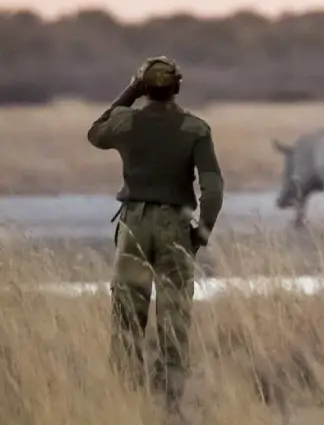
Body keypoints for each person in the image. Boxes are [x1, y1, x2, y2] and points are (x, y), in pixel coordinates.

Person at [87, 56, 224, 415]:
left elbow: (95, 132)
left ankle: (126, 399)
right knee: (174, 315)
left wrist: (130, 90)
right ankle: (170, 406)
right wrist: (201, 233)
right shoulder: (195, 129)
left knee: (127, 316)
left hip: (133, 225)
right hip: (175, 227)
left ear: (144, 89)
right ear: (177, 87)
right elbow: (213, 189)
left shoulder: (126, 121)